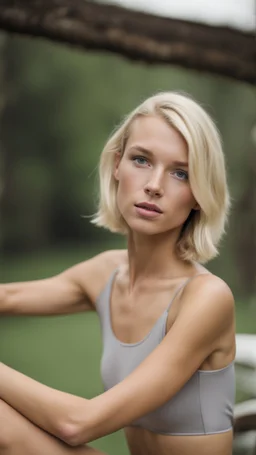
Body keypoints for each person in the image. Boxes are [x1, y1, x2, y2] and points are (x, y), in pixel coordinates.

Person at [0, 91, 236, 455]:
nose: (154, 185)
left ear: (200, 194)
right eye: (141, 160)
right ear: (116, 165)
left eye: (180, 173)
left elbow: (77, 424)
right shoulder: (106, 273)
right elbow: (7, 297)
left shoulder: (206, 298)